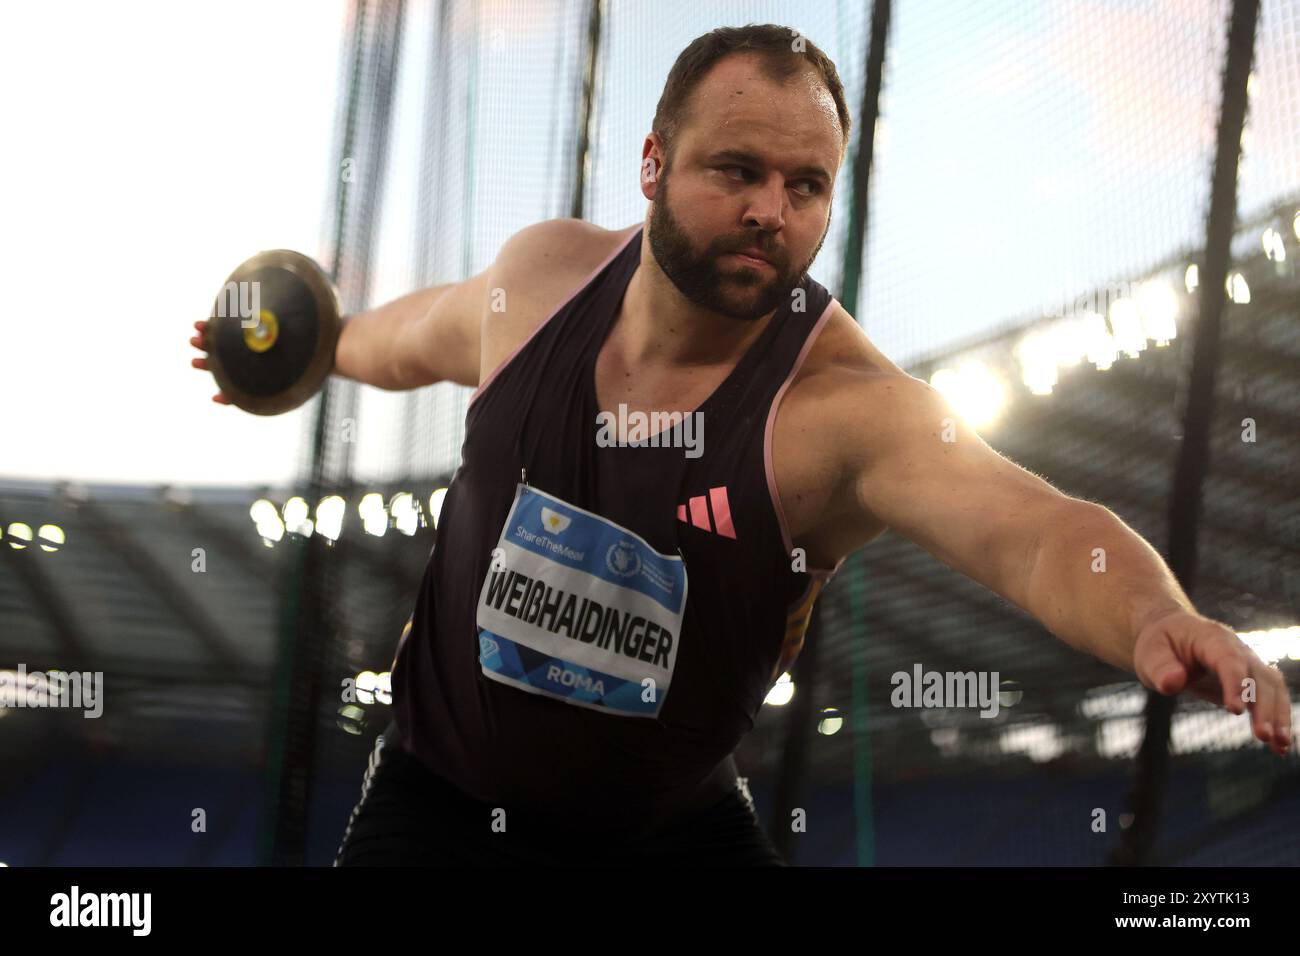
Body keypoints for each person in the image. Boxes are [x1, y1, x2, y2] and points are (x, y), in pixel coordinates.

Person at [191, 24, 1292, 867]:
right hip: (436, 802)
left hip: (667, 828)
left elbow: (1037, 532)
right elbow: (395, 339)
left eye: (805, 185)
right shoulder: (536, 287)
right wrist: (298, 354)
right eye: (738, 171)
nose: (772, 209)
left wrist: (1154, 612)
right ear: (654, 163)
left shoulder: (847, 412)